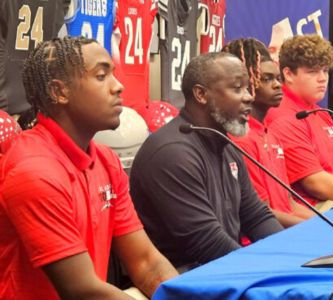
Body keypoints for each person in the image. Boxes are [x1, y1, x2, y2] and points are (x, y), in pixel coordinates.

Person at [0, 36, 178, 300]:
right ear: (59, 92)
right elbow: (81, 291)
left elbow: (147, 263)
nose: (118, 87)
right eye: (101, 76)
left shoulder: (106, 160)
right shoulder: (33, 171)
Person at [130, 52, 283, 271]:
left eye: (247, 88)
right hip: (188, 279)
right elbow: (206, 244)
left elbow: (256, 216)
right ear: (201, 94)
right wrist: (266, 271)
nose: (249, 96)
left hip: (223, 269)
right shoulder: (172, 153)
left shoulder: (225, 145)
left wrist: (291, 258)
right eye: (237, 88)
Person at [266, 34, 333, 208]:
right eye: (313, 72)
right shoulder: (283, 115)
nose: (323, 78)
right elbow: (315, 183)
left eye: (325, 70)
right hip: (313, 206)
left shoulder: (320, 112)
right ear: (288, 74)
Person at [223, 38, 314, 227]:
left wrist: (326, 224)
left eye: (277, 78)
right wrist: (313, 230)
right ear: (244, 83)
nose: (277, 85)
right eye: (266, 79)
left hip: (289, 229)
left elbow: (289, 203)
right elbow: (261, 214)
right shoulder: (241, 139)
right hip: (267, 237)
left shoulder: (271, 135)